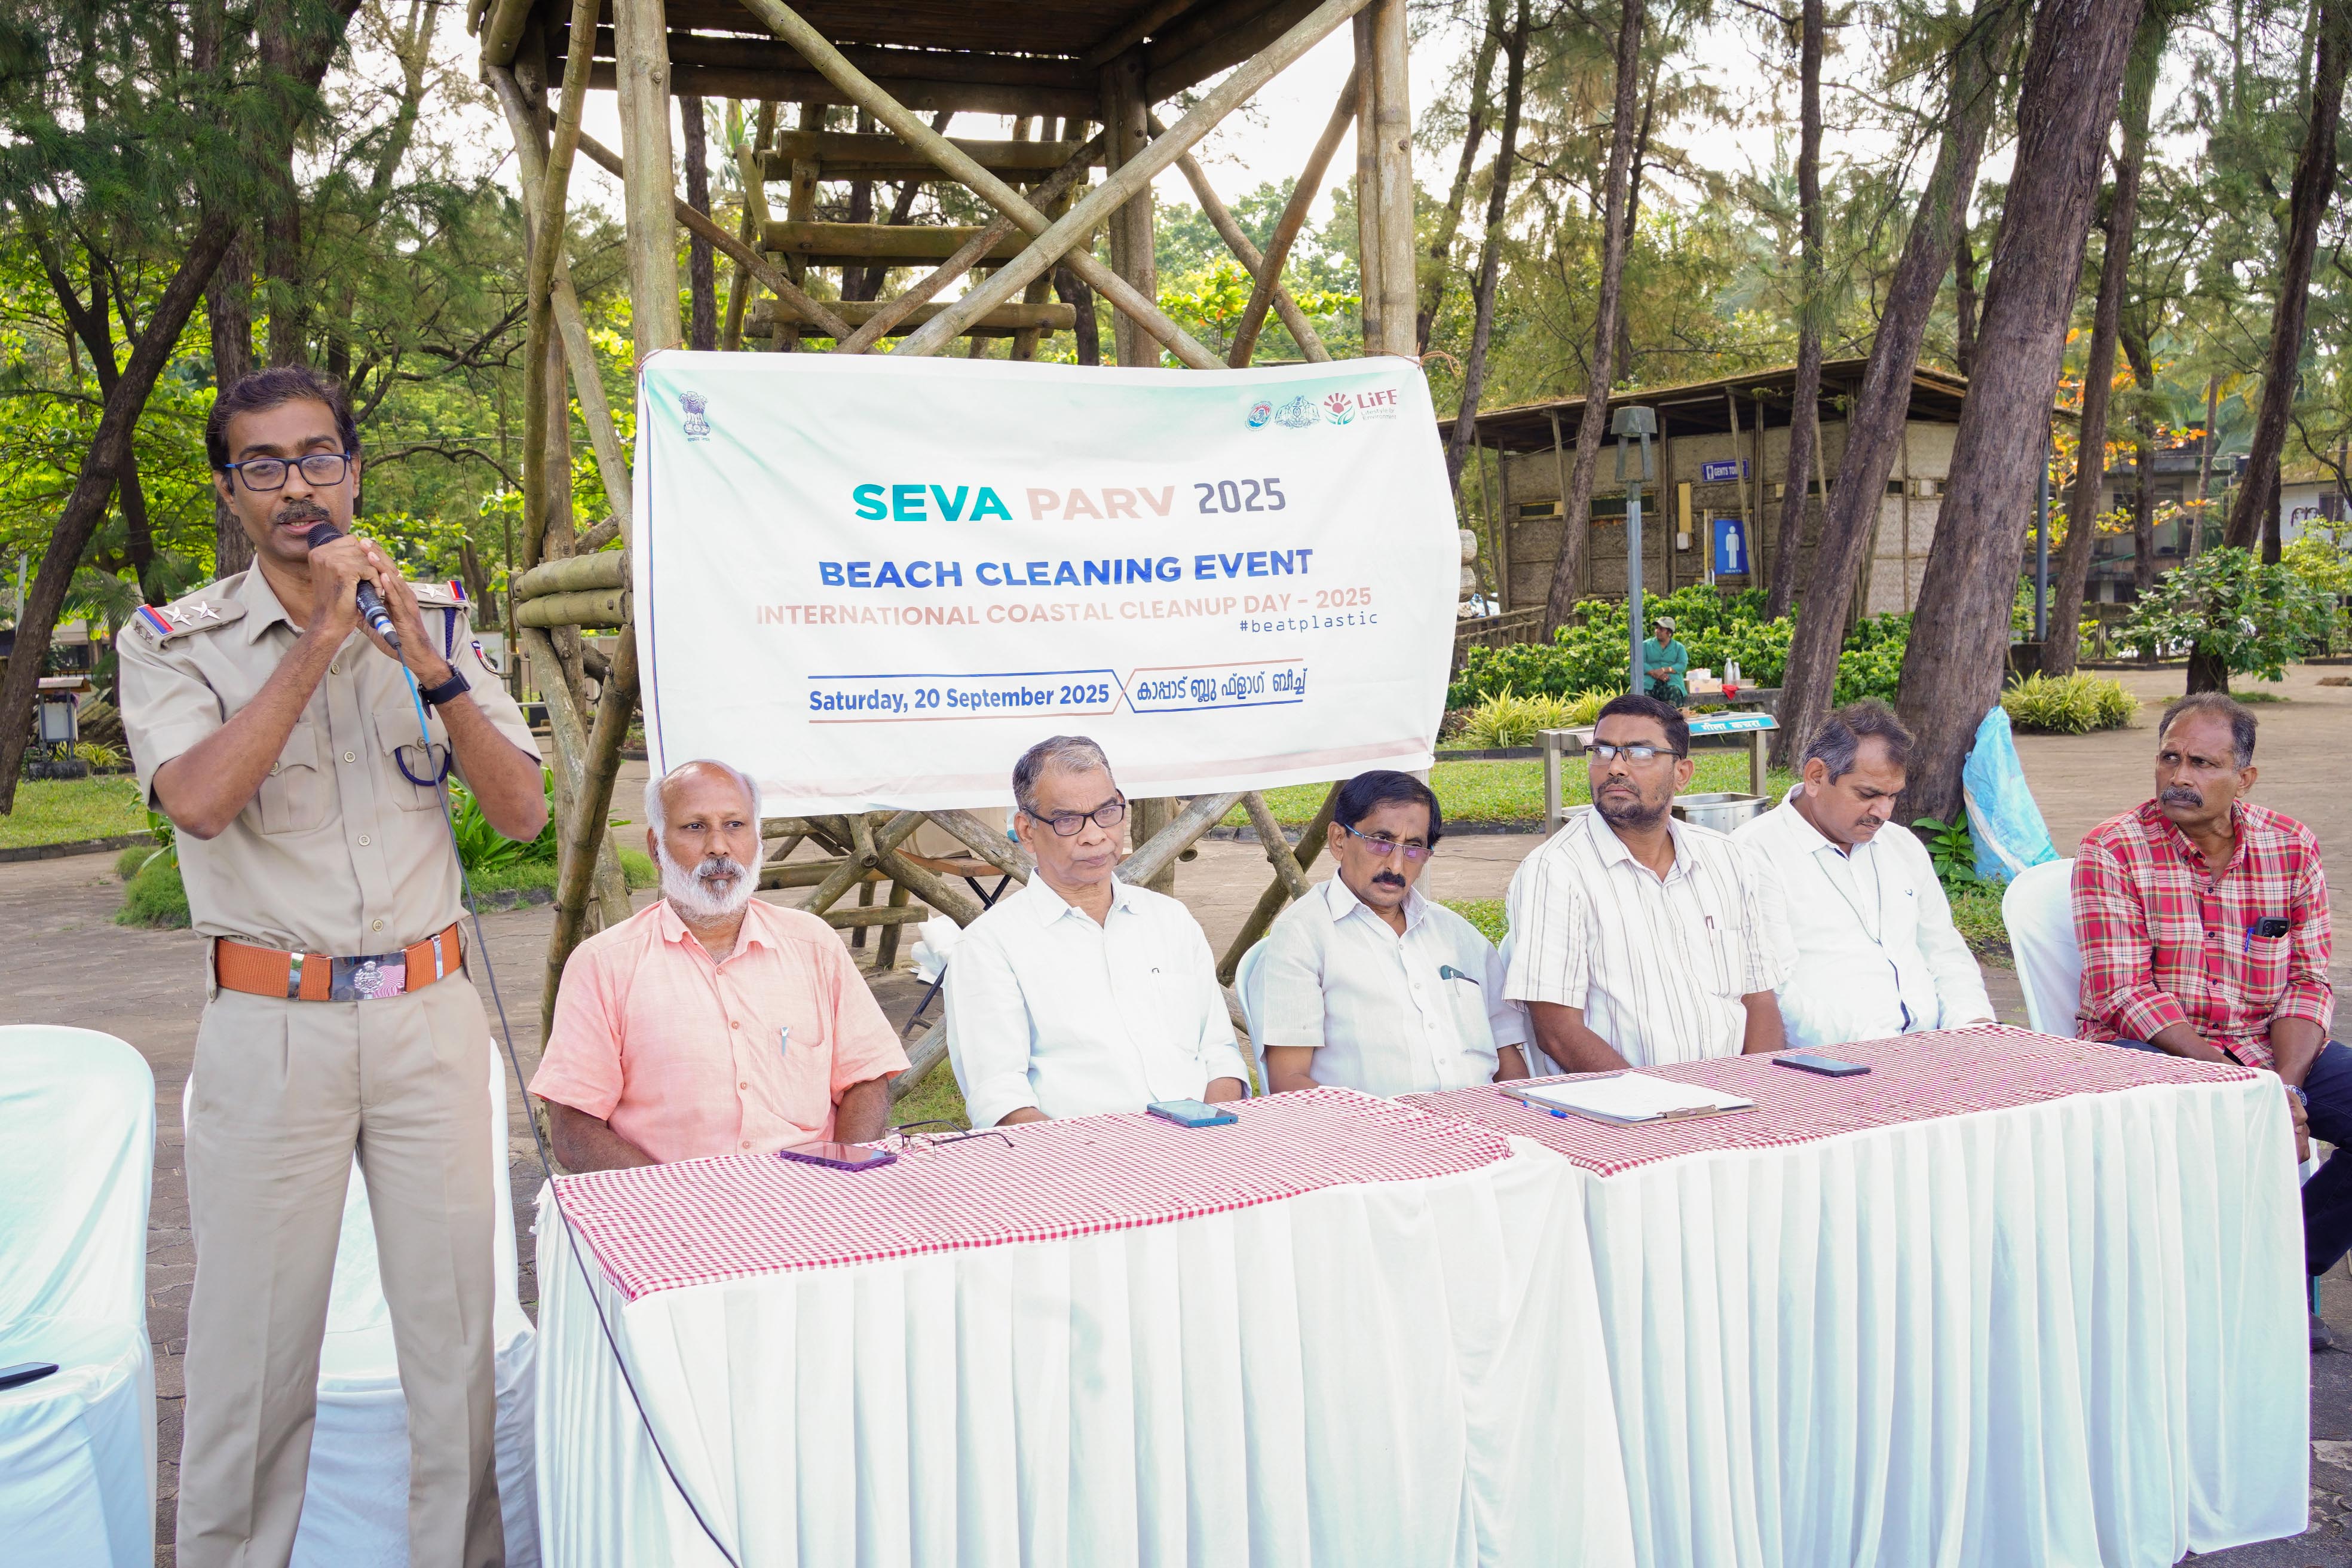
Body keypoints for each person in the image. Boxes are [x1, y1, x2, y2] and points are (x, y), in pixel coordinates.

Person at [120, 366, 544, 1567]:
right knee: (251, 1362)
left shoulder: (436, 621)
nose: (297, 485)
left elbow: (521, 813)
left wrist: (429, 665)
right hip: (275, 1030)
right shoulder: (175, 642)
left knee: (457, 1348)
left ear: (353, 471)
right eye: (264, 465)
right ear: (231, 491)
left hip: (430, 1020)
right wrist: (318, 637)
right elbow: (199, 801)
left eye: (318, 458)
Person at [2072, 691, 2344, 1346]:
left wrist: (2282, 1088)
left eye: (2203, 763)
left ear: (2244, 778)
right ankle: (2200, 1294)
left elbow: (2307, 983)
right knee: (2204, 1122)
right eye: (2170, 758)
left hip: (2267, 1050)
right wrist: (2247, 1089)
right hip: (2149, 1050)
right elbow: (2125, 993)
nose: (2180, 776)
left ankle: (2277, 1272)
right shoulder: (2112, 849)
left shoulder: (2291, 845)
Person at [530, 760, 909, 1169]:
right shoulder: (604, 964)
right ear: (656, 848)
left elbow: (865, 1078)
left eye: (735, 825)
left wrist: (847, 1174)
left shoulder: (814, 945)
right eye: (695, 827)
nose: (718, 847)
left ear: (758, 838)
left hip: (811, 1188)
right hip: (670, 1198)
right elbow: (573, 1127)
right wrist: (676, 1198)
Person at [946, 735, 1250, 1127]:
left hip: (1206, 1141)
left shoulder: (1171, 920)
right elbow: (1000, 1098)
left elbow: (1221, 1055)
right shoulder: (988, 946)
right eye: (1067, 820)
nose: (1095, 835)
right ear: (1026, 831)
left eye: (1107, 812)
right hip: (1073, 1157)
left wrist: (1209, 1134)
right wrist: (1095, 1158)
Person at [1504, 693, 1785, 1070]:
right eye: (1603, 751)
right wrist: (1652, 1098)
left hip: (1737, 1089)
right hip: (1623, 1099)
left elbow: (1759, 997)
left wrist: (1757, 1084)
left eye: (1639, 752)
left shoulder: (1727, 859)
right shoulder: (1555, 871)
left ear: (1681, 774)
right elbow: (1556, 1031)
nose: (1615, 768)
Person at [1736, 700, 1993, 1049]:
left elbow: (1944, 952)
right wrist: (1882, 1047)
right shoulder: (1754, 853)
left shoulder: (1902, 846)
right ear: (1816, 777)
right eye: (1868, 794)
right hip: (1832, 1061)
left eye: (1893, 796)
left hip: (1936, 1049)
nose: (1883, 812)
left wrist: (1973, 1024)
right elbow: (1773, 990)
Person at [1256, 770, 1532, 1095]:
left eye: (1414, 848)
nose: (1397, 866)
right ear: (1339, 840)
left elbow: (1507, 1059)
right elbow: (1289, 1082)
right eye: (1381, 842)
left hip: (1484, 1120)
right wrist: (1385, 1122)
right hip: (1367, 1126)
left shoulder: (1459, 935)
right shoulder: (1303, 935)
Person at [1641, 614, 1690, 705]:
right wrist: (1655, 673)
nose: (1657, 631)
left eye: (1661, 629)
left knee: (1674, 691)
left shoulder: (1679, 647)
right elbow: (1640, 663)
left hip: (1671, 681)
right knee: (1643, 696)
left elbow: (1682, 665)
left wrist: (1664, 670)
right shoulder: (1645, 645)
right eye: (1657, 628)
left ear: (1669, 632)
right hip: (1649, 682)